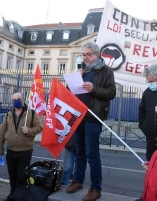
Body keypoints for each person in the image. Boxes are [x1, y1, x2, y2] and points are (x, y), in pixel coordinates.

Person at [66, 41, 116, 201]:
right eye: (83, 54)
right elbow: (68, 91)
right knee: (79, 151)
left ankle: (95, 188)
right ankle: (78, 181)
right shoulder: (81, 70)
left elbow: (111, 92)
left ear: (96, 54)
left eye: (88, 54)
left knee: (92, 153)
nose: (85, 57)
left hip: (93, 117)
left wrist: (94, 89)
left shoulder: (106, 70)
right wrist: (76, 77)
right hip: (77, 115)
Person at [0, 92, 42, 201]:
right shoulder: (8, 115)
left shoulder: (31, 113)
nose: (17, 101)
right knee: (12, 175)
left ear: (23, 100)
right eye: (14, 99)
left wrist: (29, 130)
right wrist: (0, 149)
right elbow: (2, 132)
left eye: (19, 99)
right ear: (12, 102)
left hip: (25, 151)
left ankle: (19, 196)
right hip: (10, 151)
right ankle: (13, 194)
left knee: (21, 176)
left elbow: (39, 127)